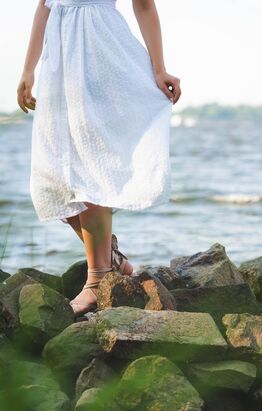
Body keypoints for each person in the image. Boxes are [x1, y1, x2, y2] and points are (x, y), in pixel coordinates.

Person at [17, 0, 181, 316]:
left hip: (98, 52)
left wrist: (159, 69)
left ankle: (98, 280)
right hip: (59, 61)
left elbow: (144, 5)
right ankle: (112, 258)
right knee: (55, 180)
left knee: (88, 170)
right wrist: (28, 69)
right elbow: (44, 6)